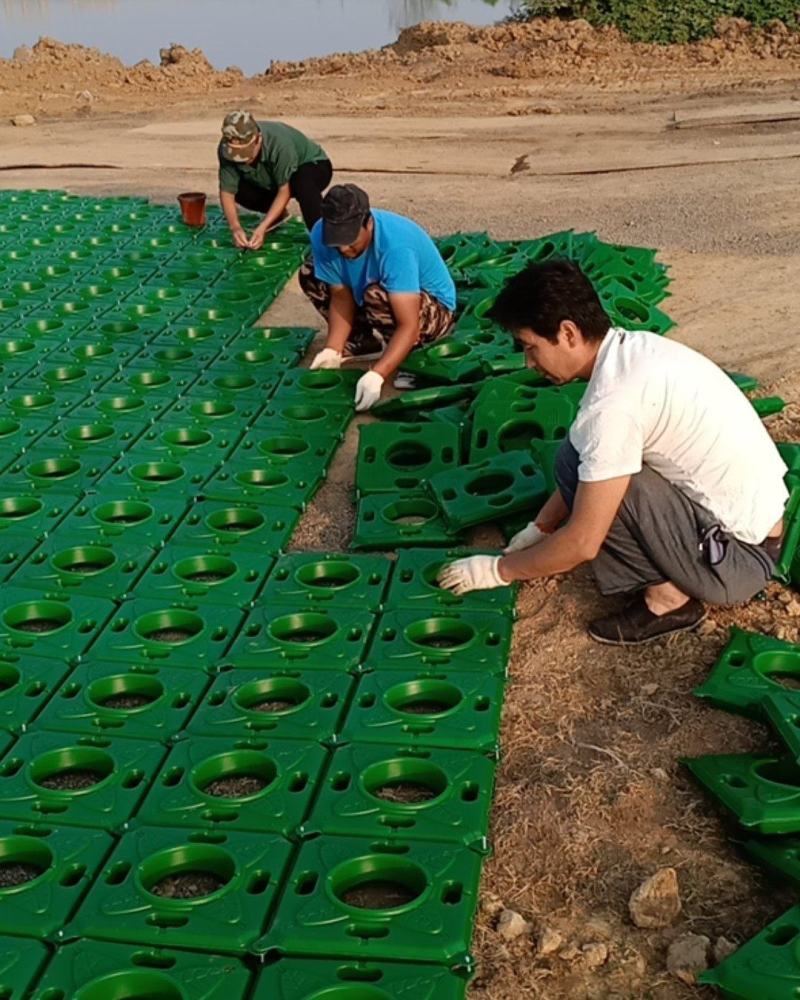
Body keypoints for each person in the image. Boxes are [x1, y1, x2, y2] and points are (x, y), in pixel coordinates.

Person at [438, 259, 788, 646]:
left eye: (531, 347)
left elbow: (583, 543)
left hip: (738, 563)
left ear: (567, 332)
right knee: (575, 458)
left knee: (609, 480)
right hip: (756, 530)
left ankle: (669, 601)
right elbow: (584, 459)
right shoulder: (631, 350)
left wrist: (499, 570)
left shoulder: (614, 405)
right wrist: (540, 527)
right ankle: (674, 575)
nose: (529, 363)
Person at [300, 183, 456, 411]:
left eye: (350, 240)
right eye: (337, 241)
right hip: (372, 294)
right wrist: (332, 349)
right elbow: (341, 297)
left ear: (369, 223)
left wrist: (378, 374)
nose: (343, 249)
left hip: (432, 311)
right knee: (310, 273)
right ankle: (363, 341)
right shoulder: (320, 235)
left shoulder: (396, 247)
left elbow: (409, 325)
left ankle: (413, 358)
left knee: (376, 295)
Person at [218, 111, 332, 249]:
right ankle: (278, 215)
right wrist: (235, 228)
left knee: (301, 182)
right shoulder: (226, 149)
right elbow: (227, 192)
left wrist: (263, 227)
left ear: (258, 140)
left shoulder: (280, 144)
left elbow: (285, 190)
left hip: (313, 167)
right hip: (270, 177)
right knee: (240, 190)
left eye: (245, 154)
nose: (242, 160)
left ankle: (321, 239)